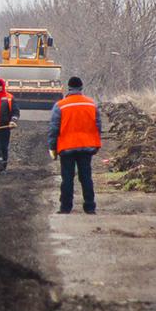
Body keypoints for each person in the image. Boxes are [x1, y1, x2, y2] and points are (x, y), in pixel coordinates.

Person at [48, 76, 102, 213]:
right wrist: (95, 144)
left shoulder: (60, 105)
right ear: (81, 87)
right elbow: (98, 125)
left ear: (69, 88)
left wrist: (52, 147)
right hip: (86, 147)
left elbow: (54, 128)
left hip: (67, 147)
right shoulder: (91, 104)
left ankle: (65, 208)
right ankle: (90, 207)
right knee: (86, 177)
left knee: (67, 179)